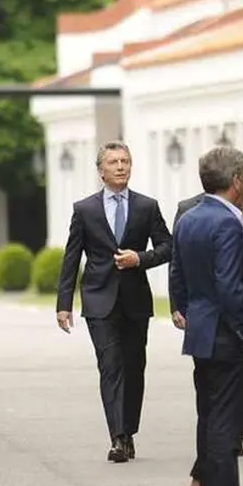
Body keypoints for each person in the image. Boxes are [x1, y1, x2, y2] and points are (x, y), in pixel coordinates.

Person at [55, 140, 171, 463]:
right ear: (100, 171)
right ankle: (117, 437)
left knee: (134, 368)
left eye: (125, 161)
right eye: (114, 162)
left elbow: (167, 247)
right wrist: (64, 302)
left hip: (135, 301)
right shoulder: (85, 209)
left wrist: (140, 258)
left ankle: (129, 430)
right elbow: (71, 256)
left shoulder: (147, 206)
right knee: (111, 365)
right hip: (98, 300)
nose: (121, 167)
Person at [171, 181, 243, 486]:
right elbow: (230, 286)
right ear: (237, 182)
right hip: (235, 334)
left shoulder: (190, 216)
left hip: (206, 332)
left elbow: (178, 271)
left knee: (214, 418)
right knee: (226, 423)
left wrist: (187, 309)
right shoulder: (230, 221)